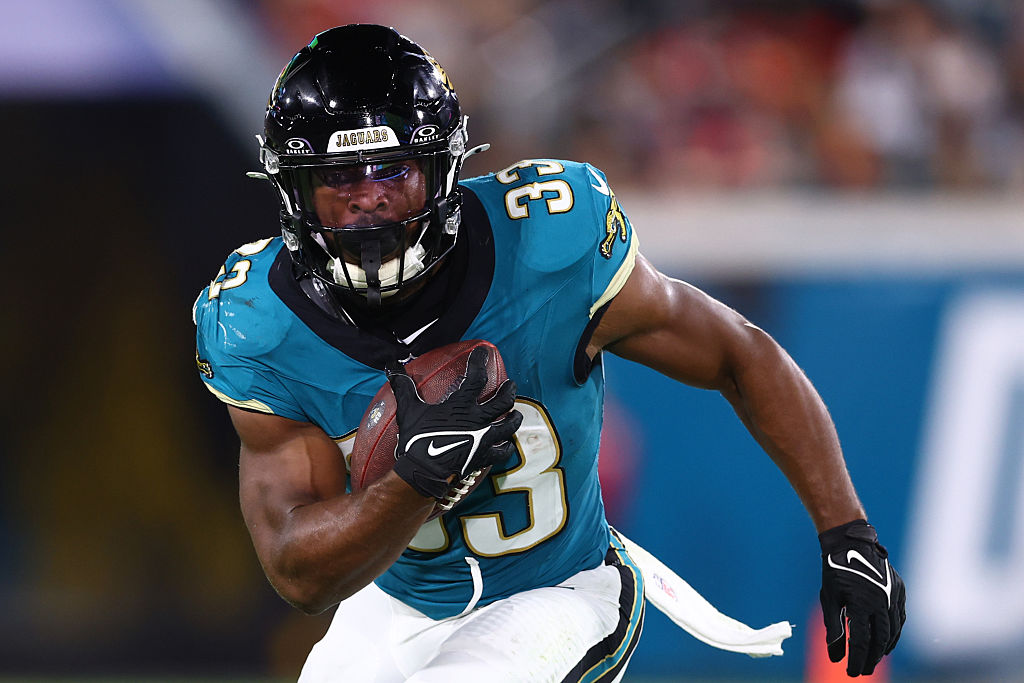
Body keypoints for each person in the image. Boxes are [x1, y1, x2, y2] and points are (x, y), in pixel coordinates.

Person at [194, 24, 906, 682]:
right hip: (401, 604)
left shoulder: (547, 242)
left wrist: (847, 530)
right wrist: (412, 482)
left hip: (562, 590)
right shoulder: (257, 321)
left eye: (392, 169)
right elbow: (296, 570)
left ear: (441, 167)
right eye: (339, 178)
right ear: (294, 190)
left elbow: (738, 353)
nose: (367, 201)